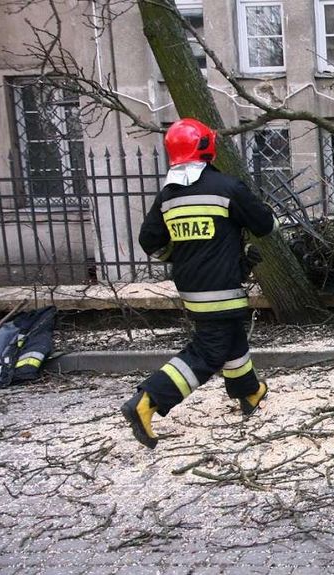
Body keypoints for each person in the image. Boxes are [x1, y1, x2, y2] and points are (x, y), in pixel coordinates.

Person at [122, 118, 277, 449]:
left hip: (192, 288)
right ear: (208, 147)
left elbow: (149, 240)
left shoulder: (168, 196)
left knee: (229, 336)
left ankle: (250, 392)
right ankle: (147, 401)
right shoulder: (227, 188)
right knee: (209, 351)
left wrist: (178, 256)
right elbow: (264, 224)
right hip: (222, 286)